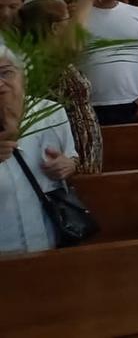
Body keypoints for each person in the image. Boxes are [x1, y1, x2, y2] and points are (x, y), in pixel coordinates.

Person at [0, 45, 80, 254]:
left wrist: (68, 164)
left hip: (50, 242)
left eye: (6, 73)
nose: (0, 84)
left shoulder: (51, 112)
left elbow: (72, 158)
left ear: (23, 76)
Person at [18, 0, 104, 174]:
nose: (71, 23)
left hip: (83, 146)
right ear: (55, 28)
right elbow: (74, 45)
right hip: (67, 147)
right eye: (67, 20)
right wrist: (85, 1)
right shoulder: (41, 59)